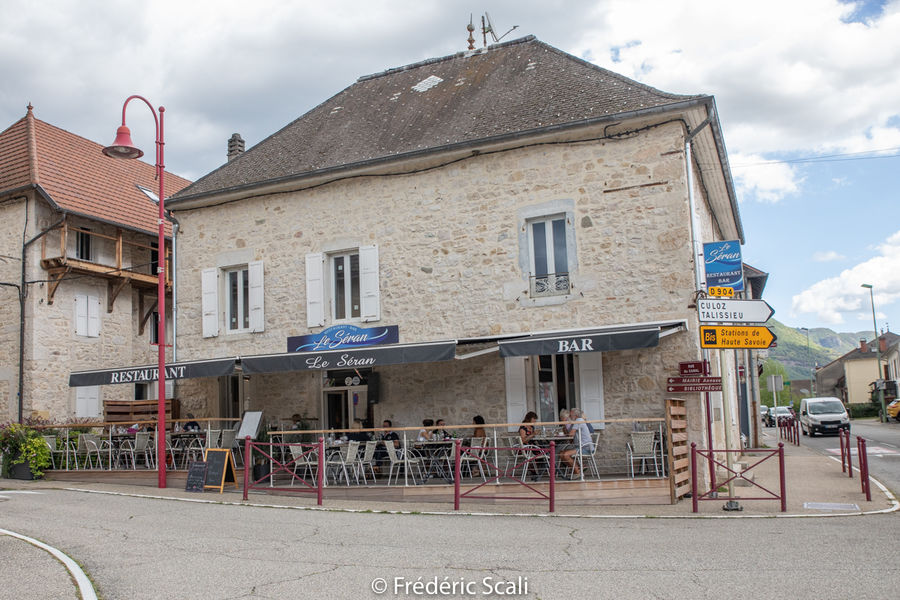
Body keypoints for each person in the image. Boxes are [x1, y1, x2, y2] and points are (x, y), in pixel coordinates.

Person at [560, 408, 595, 478]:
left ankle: (578, 472)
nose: (569, 416)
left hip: (585, 447)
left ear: (575, 415)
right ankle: (578, 469)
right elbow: (570, 437)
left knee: (565, 455)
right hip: (580, 446)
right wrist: (565, 426)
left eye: (570, 414)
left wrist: (568, 425)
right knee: (561, 454)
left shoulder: (579, 420)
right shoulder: (576, 421)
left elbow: (571, 434)